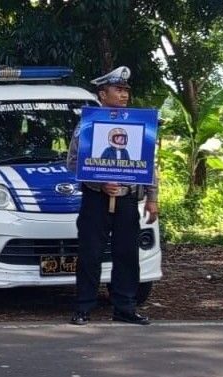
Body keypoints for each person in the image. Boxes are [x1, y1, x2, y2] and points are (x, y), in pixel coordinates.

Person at [67, 66, 159, 326]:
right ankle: (84, 308)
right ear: (102, 94)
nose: (124, 95)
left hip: (128, 199)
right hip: (96, 199)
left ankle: (125, 308)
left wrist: (152, 198)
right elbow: (73, 162)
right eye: (118, 90)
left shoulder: (139, 124)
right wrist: (99, 181)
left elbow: (149, 164)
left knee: (127, 255)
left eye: (126, 90)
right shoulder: (88, 125)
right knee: (90, 254)